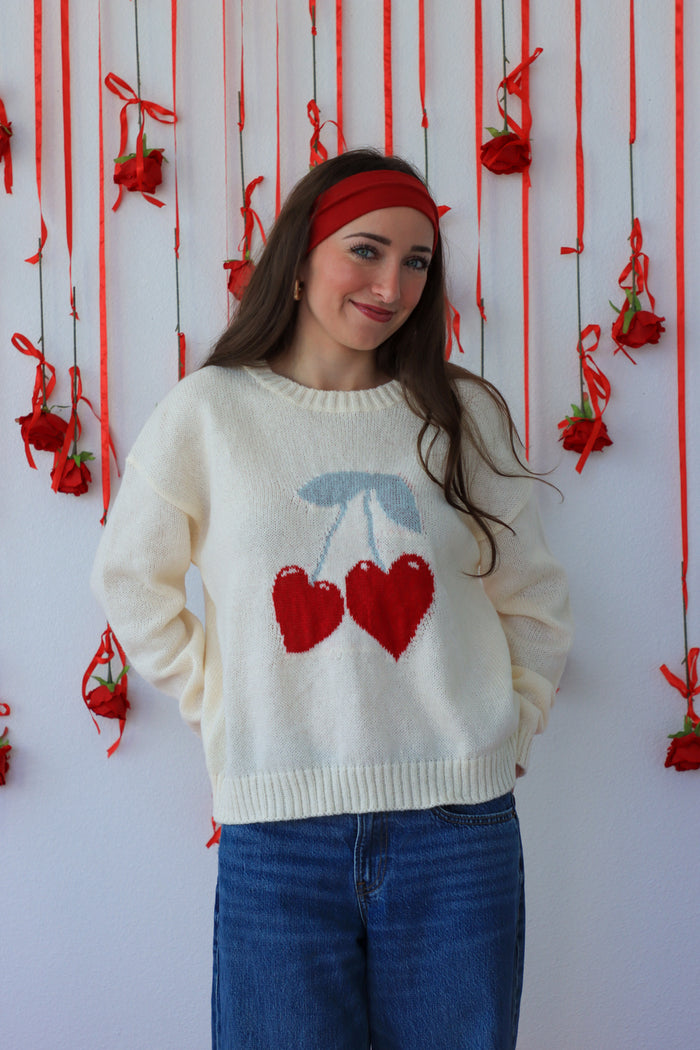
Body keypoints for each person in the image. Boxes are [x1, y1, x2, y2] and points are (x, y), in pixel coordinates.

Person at [91, 147, 572, 1050]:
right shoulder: (210, 413)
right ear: (304, 252)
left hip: (457, 832)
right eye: (367, 249)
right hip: (278, 833)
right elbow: (129, 576)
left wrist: (514, 721)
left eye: (417, 262)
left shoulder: (465, 415)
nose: (392, 283)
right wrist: (219, 698)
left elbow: (534, 599)